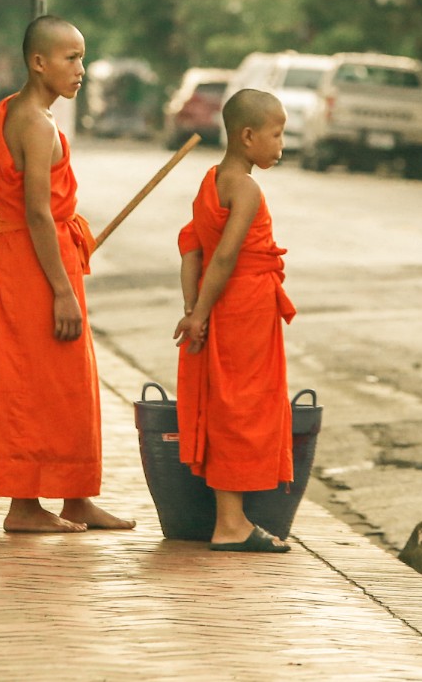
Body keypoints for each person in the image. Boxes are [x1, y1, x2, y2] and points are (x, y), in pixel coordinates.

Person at [0, 15, 132, 534]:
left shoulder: (12, 111)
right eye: (71, 58)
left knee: (69, 383)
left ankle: (76, 497)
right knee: (33, 383)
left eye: (82, 57)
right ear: (38, 62)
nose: (81, 69)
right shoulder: (35, 122)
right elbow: (37, 211)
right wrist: (62, 290)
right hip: (36, 268)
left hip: (33, 259)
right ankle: (23, 506)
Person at [172, 88, 297, 553]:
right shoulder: (245, 187)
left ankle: (231, 518)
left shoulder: (211, 180)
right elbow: (223, 257)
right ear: (248, 136)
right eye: (277, 135)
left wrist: (193, 308)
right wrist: (199, 314)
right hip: (242, 307)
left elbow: (191, 248)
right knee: (243, 406)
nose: (281, 145)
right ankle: (231, 523)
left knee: (227, 401)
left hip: (222, 304)